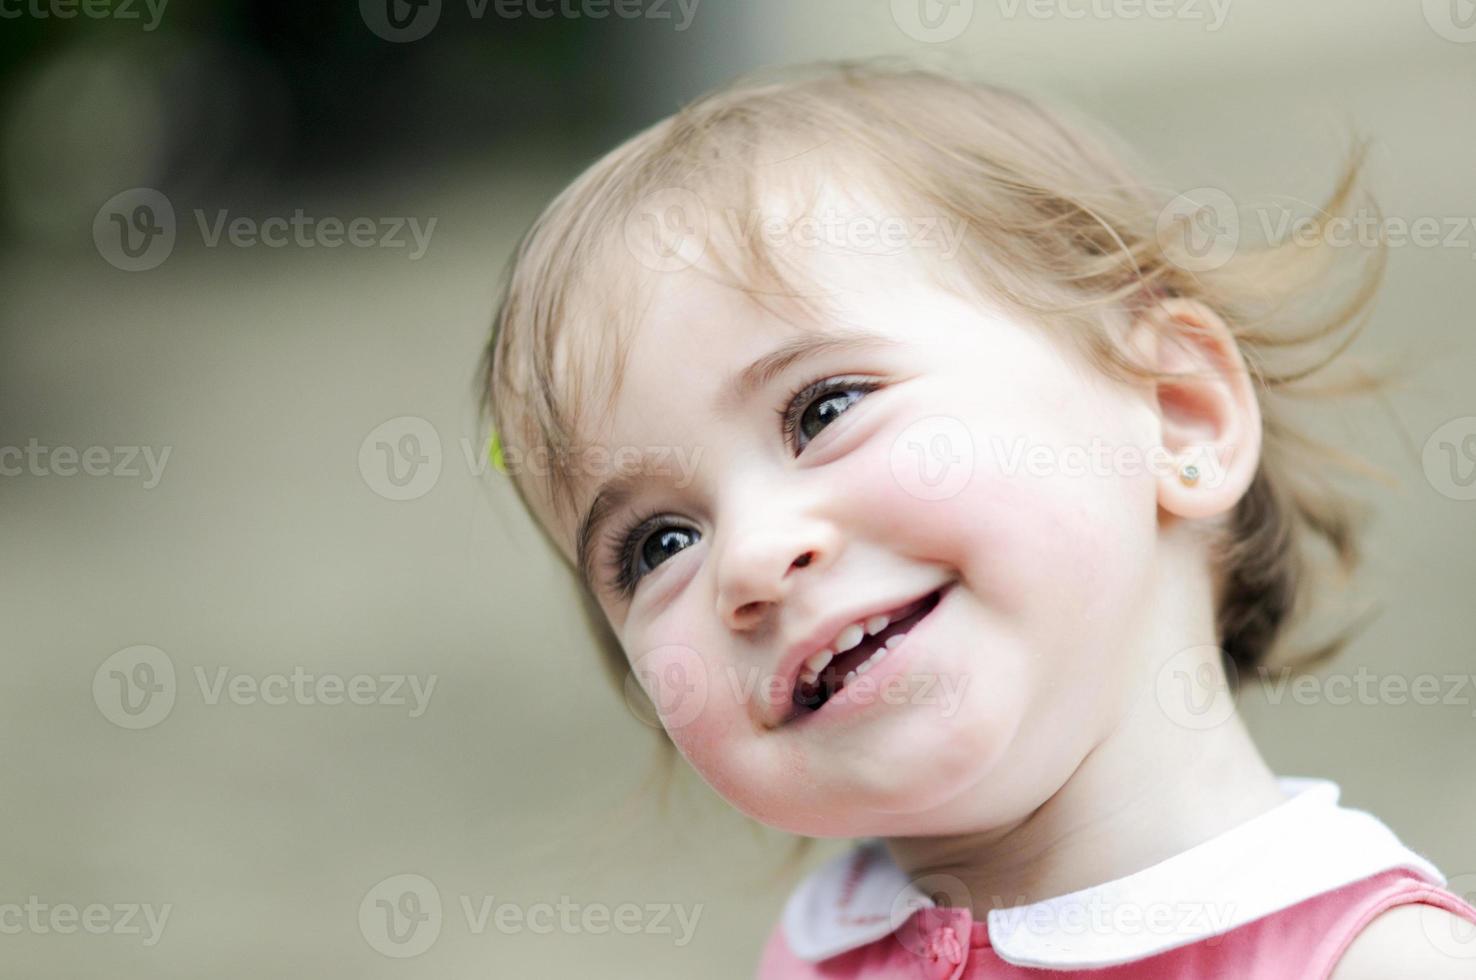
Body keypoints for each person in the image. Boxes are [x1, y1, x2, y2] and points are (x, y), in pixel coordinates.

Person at [478, 63, 1476, 978]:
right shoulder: (822, 942)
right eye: (658, 544)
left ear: (1178, 409)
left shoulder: (1376, 959)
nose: (750, 556)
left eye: (823, 410)